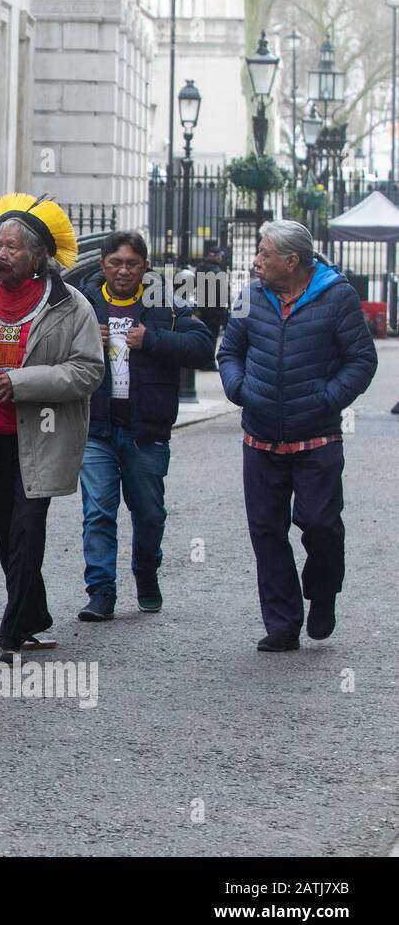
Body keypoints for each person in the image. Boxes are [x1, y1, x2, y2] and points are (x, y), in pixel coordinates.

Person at [0, 193, 103, 662]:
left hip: (39, 439)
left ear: (38, 257)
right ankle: (34, 612)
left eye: (13, 246)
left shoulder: (70, 305)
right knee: (5, 533)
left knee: (26, 531)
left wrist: (23, 382)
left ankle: (12, 631)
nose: (1, 251)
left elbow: (88, 371)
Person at [217, 220, 377, 651]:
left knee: (321, 525)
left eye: (264, 253)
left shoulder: (337, 296)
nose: (256, 260)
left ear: (292, 261)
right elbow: (229, 351)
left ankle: (323, 593)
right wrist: (239, 389)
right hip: (260, 438)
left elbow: (361, 360)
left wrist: (327, 399)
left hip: (317, 438)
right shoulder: (249, 296)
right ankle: (283, 624)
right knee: (266, 530)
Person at [76, 231, 215, 621]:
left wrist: (151, 339)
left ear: (145, 267)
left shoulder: (164, 304)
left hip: (146, 432)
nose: (123, 271)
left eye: (132, 263)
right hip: (96, 429)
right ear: (102, 265)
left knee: (149, 514)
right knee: (98, 512)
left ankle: (146, 572)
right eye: (115, 263)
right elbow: (48, 346)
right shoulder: (83, 304)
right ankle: (101, 592)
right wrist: (87, 339)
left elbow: (203, 348)